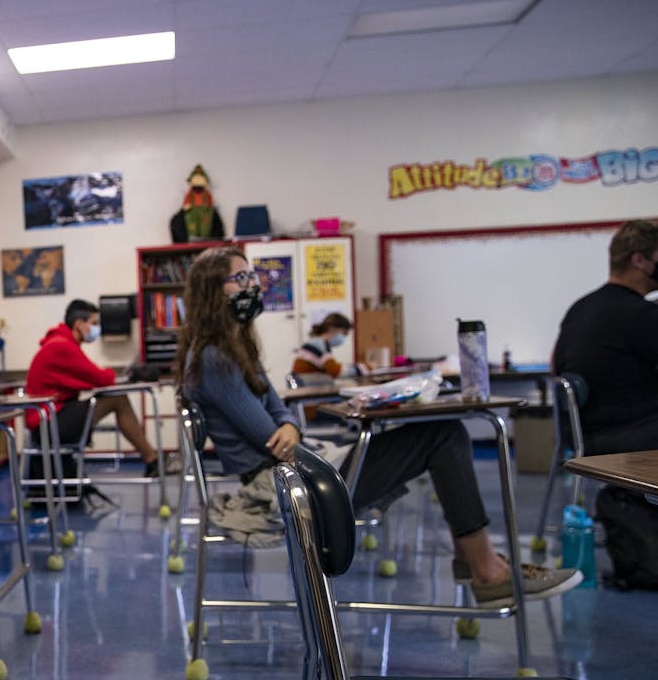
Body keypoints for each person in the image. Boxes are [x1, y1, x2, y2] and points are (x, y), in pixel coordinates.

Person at [173, 246, 579, 608]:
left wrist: (289, 427)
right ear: (212, 292)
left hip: (298, 469)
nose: (251, 285)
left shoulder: (235, 347)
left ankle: (478, 562)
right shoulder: (213, 358)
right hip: (287, 486)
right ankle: (485, 569)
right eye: (238, 278)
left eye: (251, 275)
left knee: (446, 434)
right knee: (444, 434)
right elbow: (269, 434)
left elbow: (280, 413)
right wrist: (286, 428)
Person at [25, 298, 168, 477]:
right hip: (48, 423)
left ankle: (152, 459)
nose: (97, 328)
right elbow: (100, 378)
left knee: (116, 398)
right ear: (79, 324)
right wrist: (116, 374)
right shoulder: (62, 346)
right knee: (118, 399)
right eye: (94, 323)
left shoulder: (59, 342)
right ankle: (152, 459)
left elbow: (89, 378)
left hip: (50, 418)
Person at [551, 219, 658, 455]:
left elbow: (554, 365)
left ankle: (623, 494)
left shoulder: (580, 307)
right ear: (639, 260)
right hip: (629, 436)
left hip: (580, 436)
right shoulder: (640, 314)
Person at [293, 312, 363, 380]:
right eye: (344, 333)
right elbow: (335, 371)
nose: (344, 337)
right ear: (332, 328)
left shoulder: (318, 342)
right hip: (306, 387)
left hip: (306, 384)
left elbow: (331, 367)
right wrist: (363, 368)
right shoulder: (318, 345)